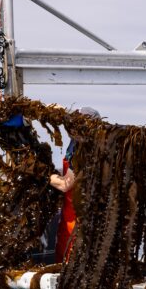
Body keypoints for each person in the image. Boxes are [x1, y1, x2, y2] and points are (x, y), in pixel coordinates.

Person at [49, 106, 101, 263]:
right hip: (81, 216)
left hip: (76, 221)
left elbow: (66, 184)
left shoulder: (80, 147)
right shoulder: (99, 145)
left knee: (71, 260)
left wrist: (44, 176)